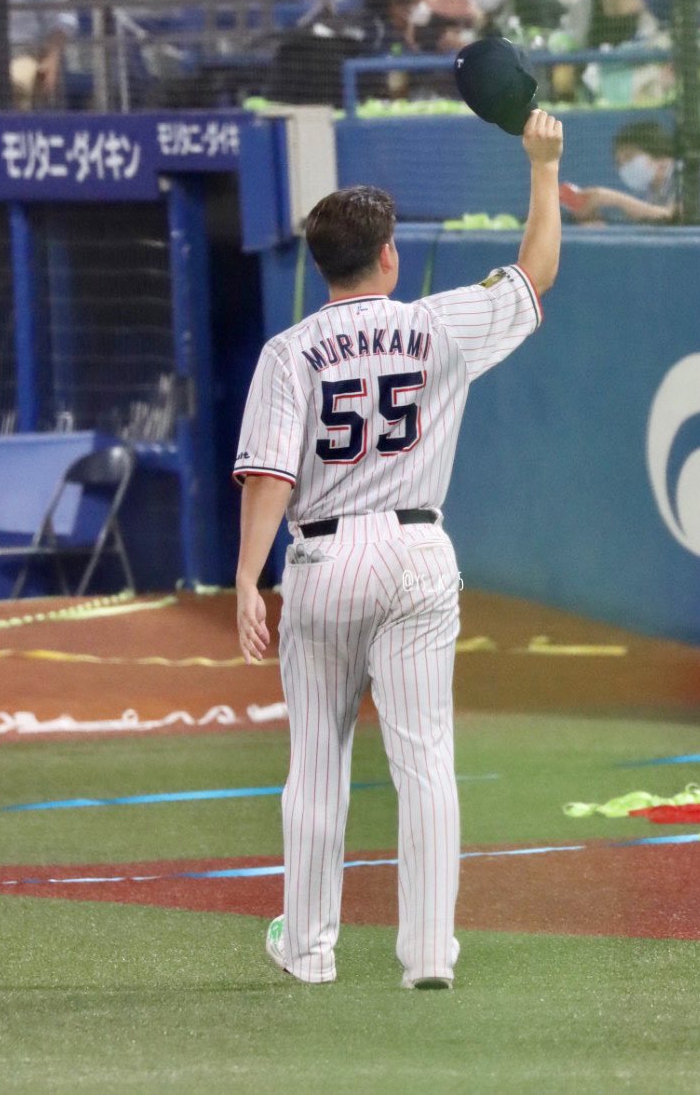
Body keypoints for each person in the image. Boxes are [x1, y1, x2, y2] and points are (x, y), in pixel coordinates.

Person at [234, 109, 563, 989]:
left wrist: (246, 579)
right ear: (388, 256)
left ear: (321, 264)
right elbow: (536, 274)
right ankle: (427, 955)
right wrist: (541, 168)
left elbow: (268, 477)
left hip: (323, 559)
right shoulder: (436, 323)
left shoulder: (289, 352)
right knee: (424, 760)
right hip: (418, 552)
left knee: (318, 765)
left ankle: (309, 951)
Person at [571, 121, 700, 225]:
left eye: (629, 158)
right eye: (619, 163)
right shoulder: (656, 189)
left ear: (661, 157)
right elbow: (652, 220)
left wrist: (610, 198)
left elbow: (670, 217)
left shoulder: (690, 174)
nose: (624, 168)